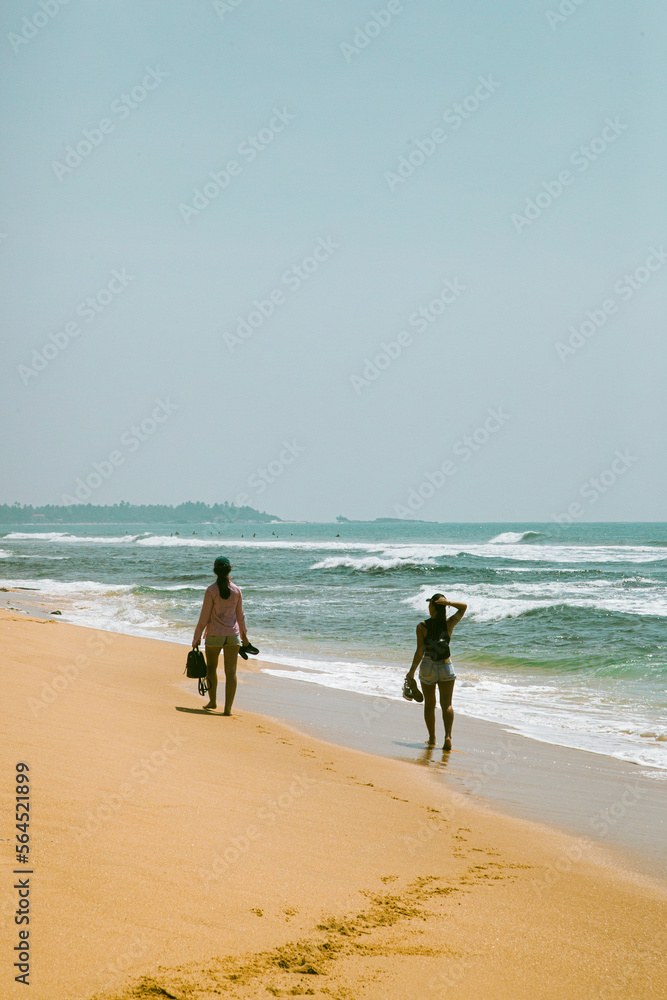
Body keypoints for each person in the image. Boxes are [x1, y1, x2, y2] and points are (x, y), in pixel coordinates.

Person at [405, 593, 467, 750]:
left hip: (427, 666)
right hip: (446, 666)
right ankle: (447, 737)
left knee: (429, 705)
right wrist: (449, 603)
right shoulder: (449, 624)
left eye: (430, 604)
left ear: (432, 606)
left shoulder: (422, 626)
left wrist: (411, 671)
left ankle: (432, 739)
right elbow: (464, 607)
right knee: (447, 704)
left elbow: (420, 650)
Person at [192, 556, 248, 714]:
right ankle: (228, 708)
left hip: (215, 635)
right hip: (233, 635)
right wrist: (245, 637)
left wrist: (196, 638)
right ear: (229, 570)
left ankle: (212, 701)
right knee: (231, 672)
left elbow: (204, 617)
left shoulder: (211, 590)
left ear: (215, 571)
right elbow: (240, 616)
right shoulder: (236, 590)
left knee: (211, 669)